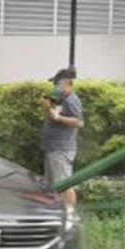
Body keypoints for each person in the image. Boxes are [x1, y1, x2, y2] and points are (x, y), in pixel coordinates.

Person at [41, 68, 84, 206]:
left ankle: (70, 214)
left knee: (64, 184)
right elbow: (52, 117)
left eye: (57, 84)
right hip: (52, 148)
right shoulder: (60, 99)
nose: (54, 87)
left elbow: (79, 122)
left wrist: (58, 117)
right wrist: (47, 107)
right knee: (53, 185)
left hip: (62, 149)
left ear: (67, 84)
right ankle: (58, 214)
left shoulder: (72, 100)